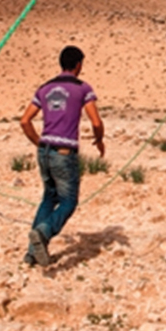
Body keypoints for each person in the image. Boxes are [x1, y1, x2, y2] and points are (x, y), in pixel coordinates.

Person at [19, 45, 105, 267]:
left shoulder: (44, 88)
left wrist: (39, 143)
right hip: (65, 152)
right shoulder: (82, 88)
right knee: (68, 201)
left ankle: (32, 253)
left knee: (49, 198)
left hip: (44, 150)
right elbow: (96, 122)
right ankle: (44, 233)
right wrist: (99, 140)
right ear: (78, 65)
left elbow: (25, 120)